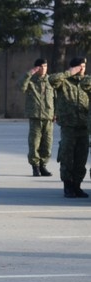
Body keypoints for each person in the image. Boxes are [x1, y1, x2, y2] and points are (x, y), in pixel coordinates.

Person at [49, 57, 89, 198]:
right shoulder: (64, 82)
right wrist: (69, 72)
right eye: (79, 66)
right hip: (69, 127)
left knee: (81, 159)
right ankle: (68, 186)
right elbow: (52, 80)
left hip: (84, 126)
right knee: (67, 157)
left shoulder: (87, 82)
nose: (82, 69)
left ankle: (77, 186)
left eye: (83, 66)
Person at [18, 58, 55, 176]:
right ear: (37, 68)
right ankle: (35, 167)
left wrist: (56, 112)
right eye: (41, 67)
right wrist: (30, 73)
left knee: (47, 143)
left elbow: (56, 98)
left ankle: (43, 166)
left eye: (45, 66)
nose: (44, 69)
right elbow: (21, 86)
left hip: (48, 117)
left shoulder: (51, 81)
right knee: (34, 143)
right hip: (35, 117)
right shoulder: (31, 81)